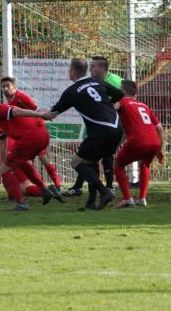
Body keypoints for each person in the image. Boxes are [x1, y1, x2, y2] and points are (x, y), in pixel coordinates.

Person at [44, 58, 124, 210]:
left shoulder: (72, 91)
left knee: (76, 162)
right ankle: (91, 201)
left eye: (69, 69)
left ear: (72, 71)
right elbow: (119, 94)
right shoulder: (97, 82)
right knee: (90, 162)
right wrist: (108, 103)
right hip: (117, 129)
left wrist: (38, 114)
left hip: (101, 131)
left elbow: (53, 113)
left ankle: (104, 191)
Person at [0, 90, 64, 211]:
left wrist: (40, 114)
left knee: (6, 170)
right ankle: (44, 190)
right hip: (41, 136)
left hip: (31, 136)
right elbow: (3, 142)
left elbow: (17, 111)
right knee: (20, 164)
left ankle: (21, 203)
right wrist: (1, 160)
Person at [62, 56, 123, 197]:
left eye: (93, 66)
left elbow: (122, 96)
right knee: (90, 159)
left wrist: (110, 106)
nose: (91, 68)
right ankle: (90, 194)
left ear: (101, 68)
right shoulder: (94, 82)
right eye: (90, 66)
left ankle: (107, 188)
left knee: (102, 158)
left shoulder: (110, 81)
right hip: (100, 126)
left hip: (110, 125)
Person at [0, 76, 62, 190]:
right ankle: (33, 186)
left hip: (35, 130)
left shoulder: (21, 97)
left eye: (7, 86)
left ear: (14, 87)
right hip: (25, 132)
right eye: (3, 86)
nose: (5, 89)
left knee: (42, 157)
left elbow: (37, 111)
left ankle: (57, 185)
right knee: (22, 158)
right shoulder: (9, 100)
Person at [112, 80, 164, 208]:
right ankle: (142, 199)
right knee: (144, 164)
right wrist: (159, 149)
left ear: (122, 91)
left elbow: (113, 108)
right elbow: (160, 127)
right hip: (154, 142)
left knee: (118, 165)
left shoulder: (123, 102)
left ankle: (127, 198)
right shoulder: (144, 106)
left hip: (138, 141)